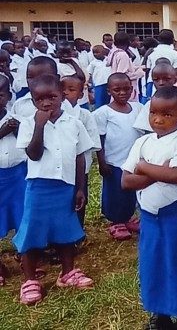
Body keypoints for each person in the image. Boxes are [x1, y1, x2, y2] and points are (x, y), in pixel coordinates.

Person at [121, 86, 177, 330]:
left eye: (168, 114)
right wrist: (157, 171)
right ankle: (160, 315)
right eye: (154, 113)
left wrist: (144, 167)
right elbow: (126, 181)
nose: (158, 120)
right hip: (149, 216)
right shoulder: (142, 142)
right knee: (154, 262)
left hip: (176, 214)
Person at [14, 74, 95, 305]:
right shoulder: (30, 123)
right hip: (39, 187)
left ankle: (67, 272)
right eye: (39, 99)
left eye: (52, 97)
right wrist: (40, 125)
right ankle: (30, 280)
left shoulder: (74, 123)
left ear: (62, 94)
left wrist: (80, 188)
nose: (46, 103)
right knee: (32, 231)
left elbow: (80, 156)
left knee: (66, 230)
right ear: (32, 100)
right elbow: (33, 154)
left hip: (66, 186)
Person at [93, 73, 143, 241]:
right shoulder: (103, 113)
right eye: (117, 89)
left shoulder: (137, 108)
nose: (122, 93)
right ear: (108, 90)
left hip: (133, 161)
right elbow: (99, 137)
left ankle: (128, 217)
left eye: (126, 89)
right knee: (115, 192)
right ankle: (116, 221)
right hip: (114, 161)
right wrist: (102, 161)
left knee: (130, 191)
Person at [60, 75, 101, 226]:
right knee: (64, 197)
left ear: (81, 94)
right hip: (61, 164)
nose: (65, 93)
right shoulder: (56, 113)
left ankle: (78, 229)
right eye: (62, 89)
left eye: (71, 90)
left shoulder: (85, 115)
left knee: (80, 193)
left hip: (81, 163)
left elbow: (93, 140)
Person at [0, 75, 25, 286]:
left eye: (0, 94)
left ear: (8, 96)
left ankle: (25, 258)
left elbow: (28, 145)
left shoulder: (16, 118)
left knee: (22, 215)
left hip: (18, 174)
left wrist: (17, 130)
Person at [107, 32, 144, 102]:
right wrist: (139, 74)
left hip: (116, 87)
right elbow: (121, 76)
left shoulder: (114, 52)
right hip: (125, 90)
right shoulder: (123, 55)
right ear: (128, 42)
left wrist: (138, 67)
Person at [87, 44, 111, 109]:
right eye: (93, 53)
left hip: (109, 84)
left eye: (97, 52)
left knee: (109, 102)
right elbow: (88, 73)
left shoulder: (108, 60)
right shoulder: (93, 63)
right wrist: (89, 85)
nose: (95, 54)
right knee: (99, 103)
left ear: (103, 52)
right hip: (99, 84)